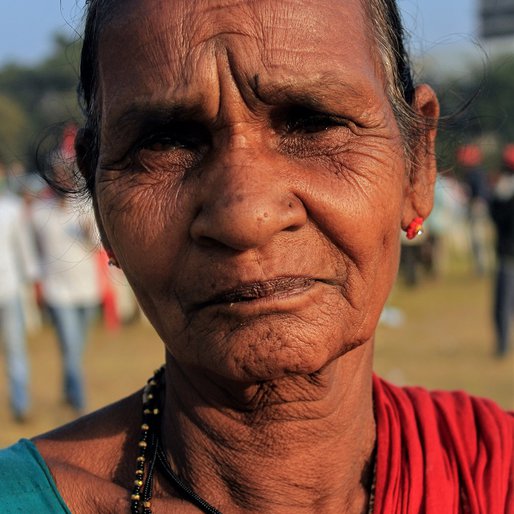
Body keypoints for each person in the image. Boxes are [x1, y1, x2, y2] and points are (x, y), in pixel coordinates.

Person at [1, 1, 513, 513]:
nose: (245, 218)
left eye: (314, 123)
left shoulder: (495, 475)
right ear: (97, 190)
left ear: (417, 165)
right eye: (165, 142)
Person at [31, 150, 101, 413]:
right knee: (71, 349)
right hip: (57, 291)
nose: (62, 179)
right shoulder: (40, 213)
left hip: (87, 290)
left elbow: (97, 245)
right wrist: (36, 285)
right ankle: (81, 405)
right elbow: (34, 253)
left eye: (66, 174)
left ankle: (67, 390)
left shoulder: (84, 209)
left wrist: (87, 232)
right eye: (57, 174)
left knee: (75, 350)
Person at [0, 161, 39, 422]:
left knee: (15, 349)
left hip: (9, 287)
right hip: (10, 286)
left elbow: (24, 246)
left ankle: (20, 405)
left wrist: (32, 277)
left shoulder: (11, 208)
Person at [490, 144, 514, 357]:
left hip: (507, 254)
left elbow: (496, 216)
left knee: (503, 305)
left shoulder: (505, 187)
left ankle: (503, 346)